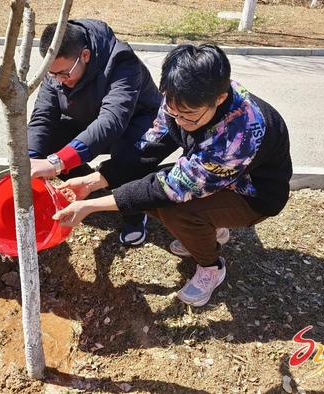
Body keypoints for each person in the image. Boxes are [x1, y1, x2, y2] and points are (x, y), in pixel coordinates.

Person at [52, 44, 292, 307]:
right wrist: (93, 180)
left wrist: (90, 205)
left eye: (189, 116)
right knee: (151, 190)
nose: (178, 122)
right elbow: (149, 146)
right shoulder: (181, 98)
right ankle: (212, 228)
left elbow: (169, 189)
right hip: (217, 177)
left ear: (220, 99)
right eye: (173, 112)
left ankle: (211, 267)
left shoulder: (237, 136)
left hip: (253, 194)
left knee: (176, 210)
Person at [28, 19, 162, 246]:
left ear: (85, 55)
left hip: (135, 122)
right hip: (89, 121)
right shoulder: (57, 70)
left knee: (126, 153)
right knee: (51, 137)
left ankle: (134, 213)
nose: (59, 80)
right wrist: (31, 160)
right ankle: (86, 184)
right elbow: (43, 116)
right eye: (53, 75)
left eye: (64, 74)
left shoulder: (121, 61)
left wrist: (58, 162)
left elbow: (112, 121)